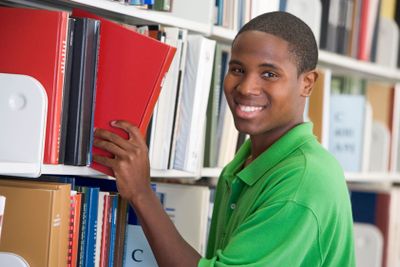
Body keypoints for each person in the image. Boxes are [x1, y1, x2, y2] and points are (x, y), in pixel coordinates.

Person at [93, 11, 356, 267]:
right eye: (238, 69)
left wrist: (141, 193)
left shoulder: (302, 181)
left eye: (269, 74)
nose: (245, 87)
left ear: (307, 83)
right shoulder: (243, 164)